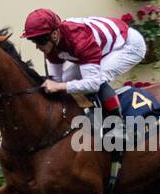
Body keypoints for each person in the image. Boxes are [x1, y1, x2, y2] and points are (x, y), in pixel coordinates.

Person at [21, 8, 147, 148]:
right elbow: (56, 80)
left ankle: (118, 127)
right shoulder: (52, 44)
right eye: (34, 41)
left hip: (128, 45)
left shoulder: (80, 40)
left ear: (55, 34)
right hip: (103, 46)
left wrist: (59, 86)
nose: (37, 46)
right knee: (67, 79)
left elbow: (92, 84)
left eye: (39, 41)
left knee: (98, 78)